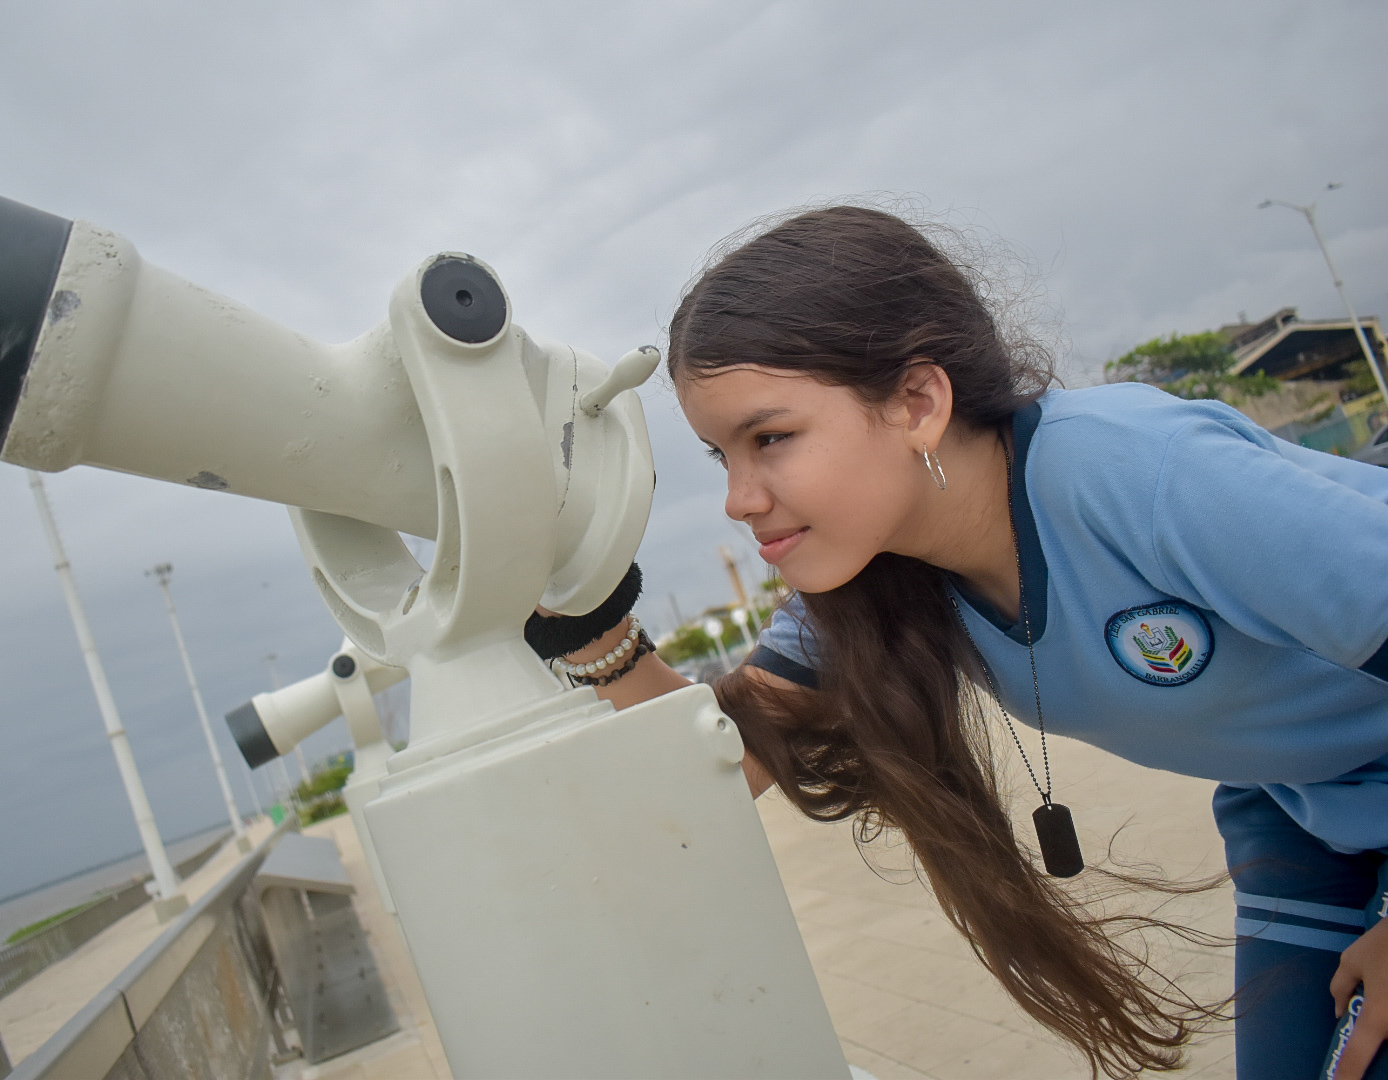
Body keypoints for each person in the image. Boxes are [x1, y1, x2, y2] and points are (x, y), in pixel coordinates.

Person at [523, 205, 1388, 1079]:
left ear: (918, 402)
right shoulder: (874, 580)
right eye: (722, 456)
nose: (739, 498)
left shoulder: (1133, 471)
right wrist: (590, 622)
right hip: (1301, 809)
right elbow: (727, 761)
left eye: (771, 438)